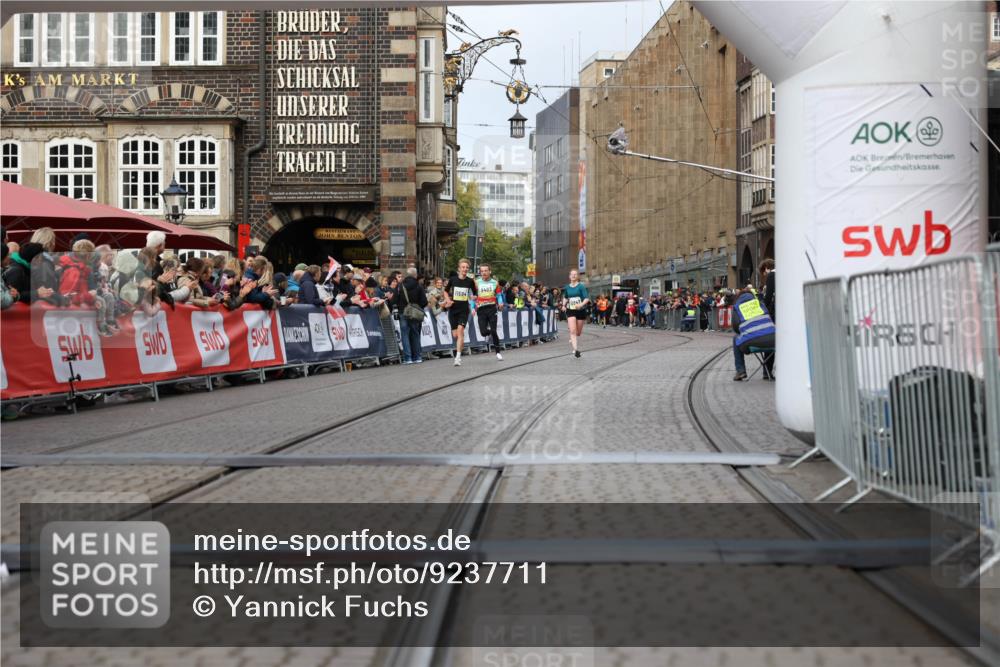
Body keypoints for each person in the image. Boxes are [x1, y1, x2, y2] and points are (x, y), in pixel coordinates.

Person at [731, 287, 776, 381]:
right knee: (768, 335)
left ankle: (740, 371)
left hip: (751, 342)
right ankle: (767, 372)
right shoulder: (760, 303)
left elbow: (735, 327)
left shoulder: (737, 306)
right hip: (773, 341)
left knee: (735, 339)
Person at [442, 259, 476, 366]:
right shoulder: (453, 279)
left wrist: (473, 299)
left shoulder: (470, 281)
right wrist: (448, 300)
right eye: (463, 267)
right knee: (455, 335)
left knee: (460, 331)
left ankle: (458, 357)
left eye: (467, 267)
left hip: (464, 310)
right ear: (459, 269)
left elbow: (475, 294)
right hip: (453, 309)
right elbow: (445, 291)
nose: (465, 269)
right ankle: (460, 343)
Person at [392, 266, 429, 364]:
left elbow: (393, 300)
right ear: (415, 275)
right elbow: (424, 302)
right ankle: (417, 357)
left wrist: (399, 306)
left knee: (405, 334)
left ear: (406, 275)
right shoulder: (418, 286)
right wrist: (417, 307)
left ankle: (408, 358)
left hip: (403, 312)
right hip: (415, 313)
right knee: (415, 334)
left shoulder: (400, 286)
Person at [474, 262, 504, 361]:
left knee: (494, 331)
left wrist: (500, 303)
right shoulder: (476, 282)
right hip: (481, 309)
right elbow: (472, 295)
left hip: (491, 308)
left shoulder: (495, 283)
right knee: (483, 332)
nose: (484, 273)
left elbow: (499, 295)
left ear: (490, 271)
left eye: (486, 271)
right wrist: (473, 306)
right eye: (482, 271)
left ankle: (498, 352)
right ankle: (488, 333)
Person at [561, 269, 590, 358]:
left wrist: (581, 304)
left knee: (578, 333)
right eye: (572, 274)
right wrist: (563, 305)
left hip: (580, 310)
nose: (573, 276)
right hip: (571, 310)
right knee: (572, 331)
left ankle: (573, 338)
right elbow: (566, 297)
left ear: (577, 276)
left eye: (575, 274)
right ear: (569, 276)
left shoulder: (581, 287)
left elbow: (586, 299)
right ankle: (576, 350)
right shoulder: (567, 287)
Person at [760, 259, 775, 323]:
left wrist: (763, 306)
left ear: (766, 267)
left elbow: (768, 296)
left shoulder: (771, 275)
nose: (764, 275)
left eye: (764, 271)